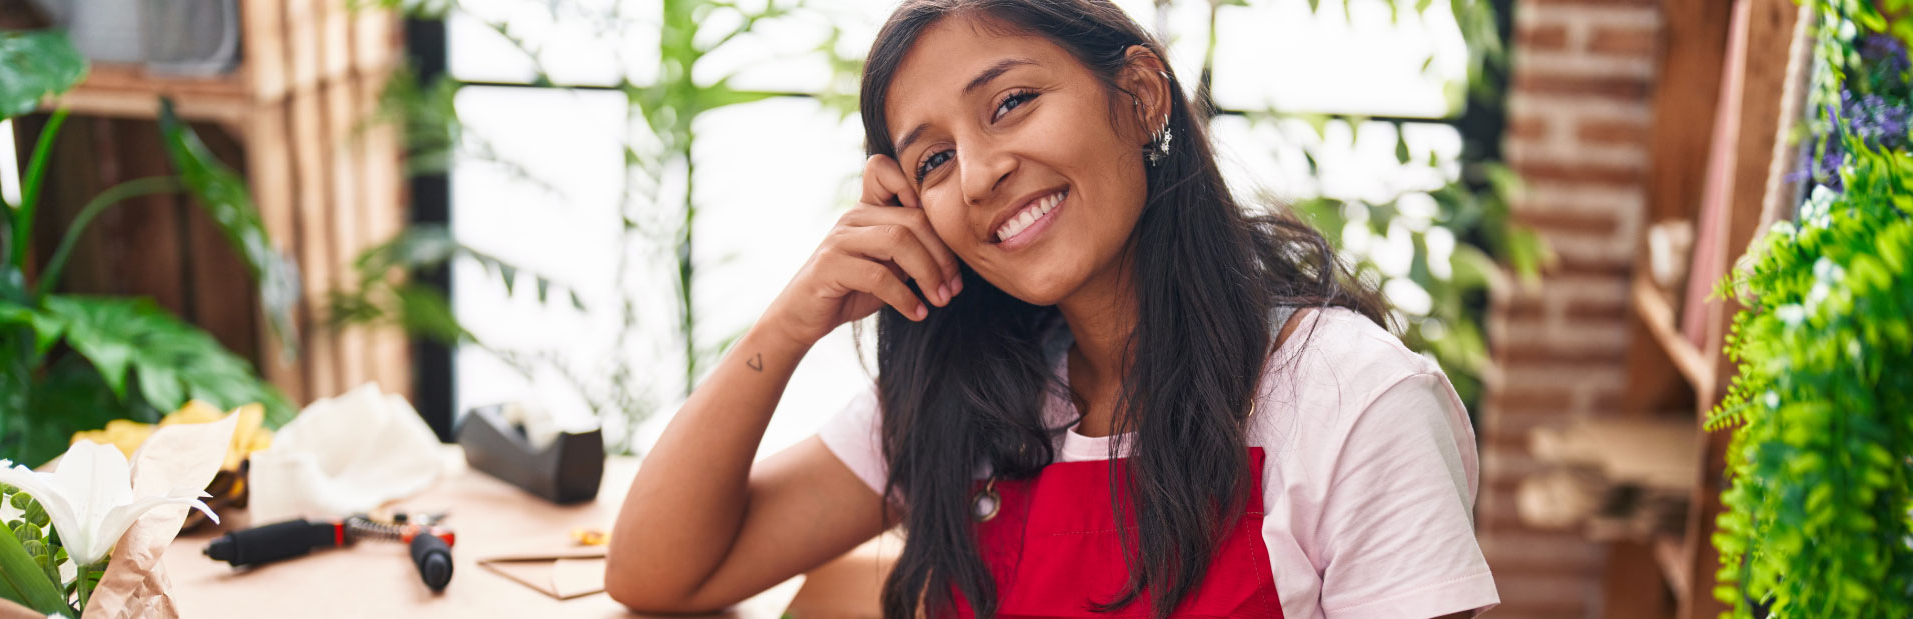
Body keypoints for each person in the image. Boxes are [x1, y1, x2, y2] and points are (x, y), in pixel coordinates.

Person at [605, 0, 1500, 616]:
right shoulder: (970, 395)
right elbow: (656, 569)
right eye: (933, 161)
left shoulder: (1355, 402)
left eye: (1012, 103)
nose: (979, 172)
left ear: (1140, 96)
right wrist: (793, 318)